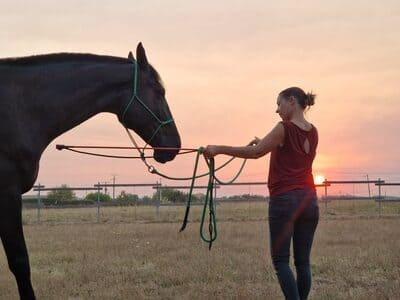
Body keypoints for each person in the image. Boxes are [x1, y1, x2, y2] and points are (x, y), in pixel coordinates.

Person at [203, 87, 319, 300]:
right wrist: (266, 142)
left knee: (281, 261)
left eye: (279, 103)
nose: (277, 110)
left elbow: (255, 153)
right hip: (309, 202)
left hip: (285, 201)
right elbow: (289, 154)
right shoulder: (313, 131)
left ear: (291, 101)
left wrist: (218, 149)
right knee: (303, 262)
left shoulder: (283, 127)